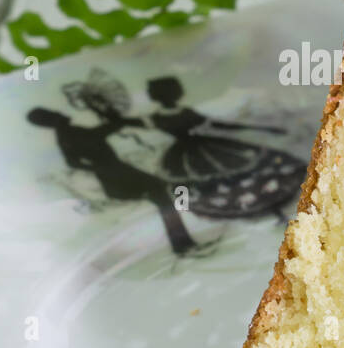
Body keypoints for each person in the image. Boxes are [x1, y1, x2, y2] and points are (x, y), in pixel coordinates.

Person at [26, 106, 204, 256]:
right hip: (119, 176)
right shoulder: (69, 133)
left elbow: (73, 159)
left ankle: (183, 243)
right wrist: (113, 121)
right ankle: (184, 242)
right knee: (168, 193)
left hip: (117, 175)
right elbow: (95, 137)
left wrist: (99, 165)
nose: (59, 113)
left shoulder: (65, 134)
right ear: (50, 119)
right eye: (52, 113)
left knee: (165, 197)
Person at [144, 76, 305, 219]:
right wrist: (263, 128)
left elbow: (218, 124)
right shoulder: (165, 116)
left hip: (199, 148)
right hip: (192, 153)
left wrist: (262, 128)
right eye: (175, 91)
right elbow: (218, 124)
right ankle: (263, 208)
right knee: (230, 177)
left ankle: (268, 208)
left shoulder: (167, 115)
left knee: (240, 173)